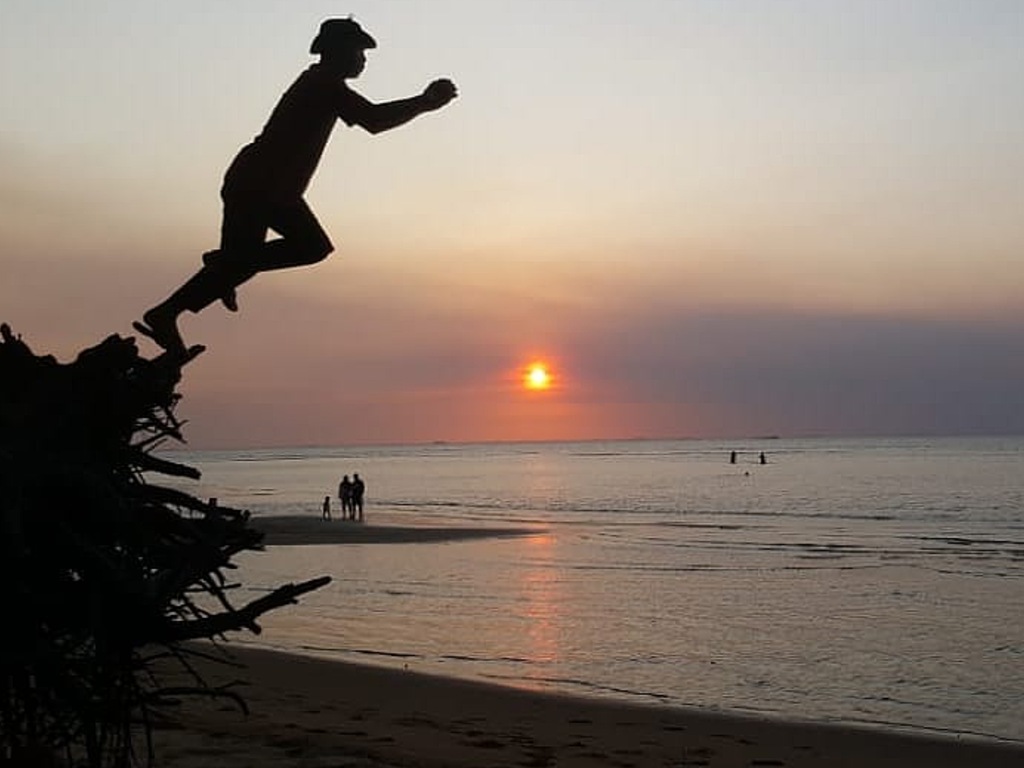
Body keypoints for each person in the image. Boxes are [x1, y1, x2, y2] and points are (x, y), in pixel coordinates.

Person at [134, 17, 458, 354]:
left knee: (244, 262)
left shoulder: (323, 83)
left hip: (266, 186)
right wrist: (424, 102)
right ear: (338, 52)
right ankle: (214, 274)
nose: (363, 59)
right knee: (306, 248)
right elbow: (374, 120)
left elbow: (370, 118)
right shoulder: (322, 84)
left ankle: (176, 304)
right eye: (359, 51)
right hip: (261, 186)